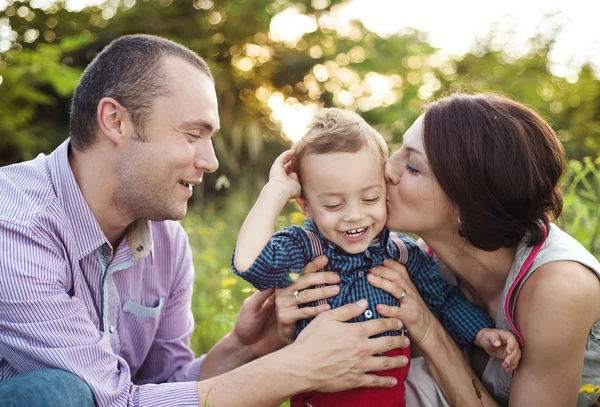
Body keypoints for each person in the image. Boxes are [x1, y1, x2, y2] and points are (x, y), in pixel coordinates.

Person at [0, 34, 412, 407]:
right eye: (192, 134)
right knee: (58, 393)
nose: (211, 161)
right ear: (115, 121)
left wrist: (246, 347)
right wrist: (299, 367)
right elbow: (115, 402)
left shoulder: (167, 241)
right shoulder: (14, 223)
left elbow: (163, 387)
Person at [276, 93, 600, 407]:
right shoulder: (417, 259)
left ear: (468, 207)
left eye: (413, 167)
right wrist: (297, 329)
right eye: (398, 150)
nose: (387, 168)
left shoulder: (560, 288)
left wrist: (427, 326)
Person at [233, 108, 521, 407]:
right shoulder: (304, 247)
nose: (354, 216)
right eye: (333, 205)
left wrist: (480, 332)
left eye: (370, 199)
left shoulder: (400, 251)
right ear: (305, 206)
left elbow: (443, 300)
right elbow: (250, 263)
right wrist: (275, 191)